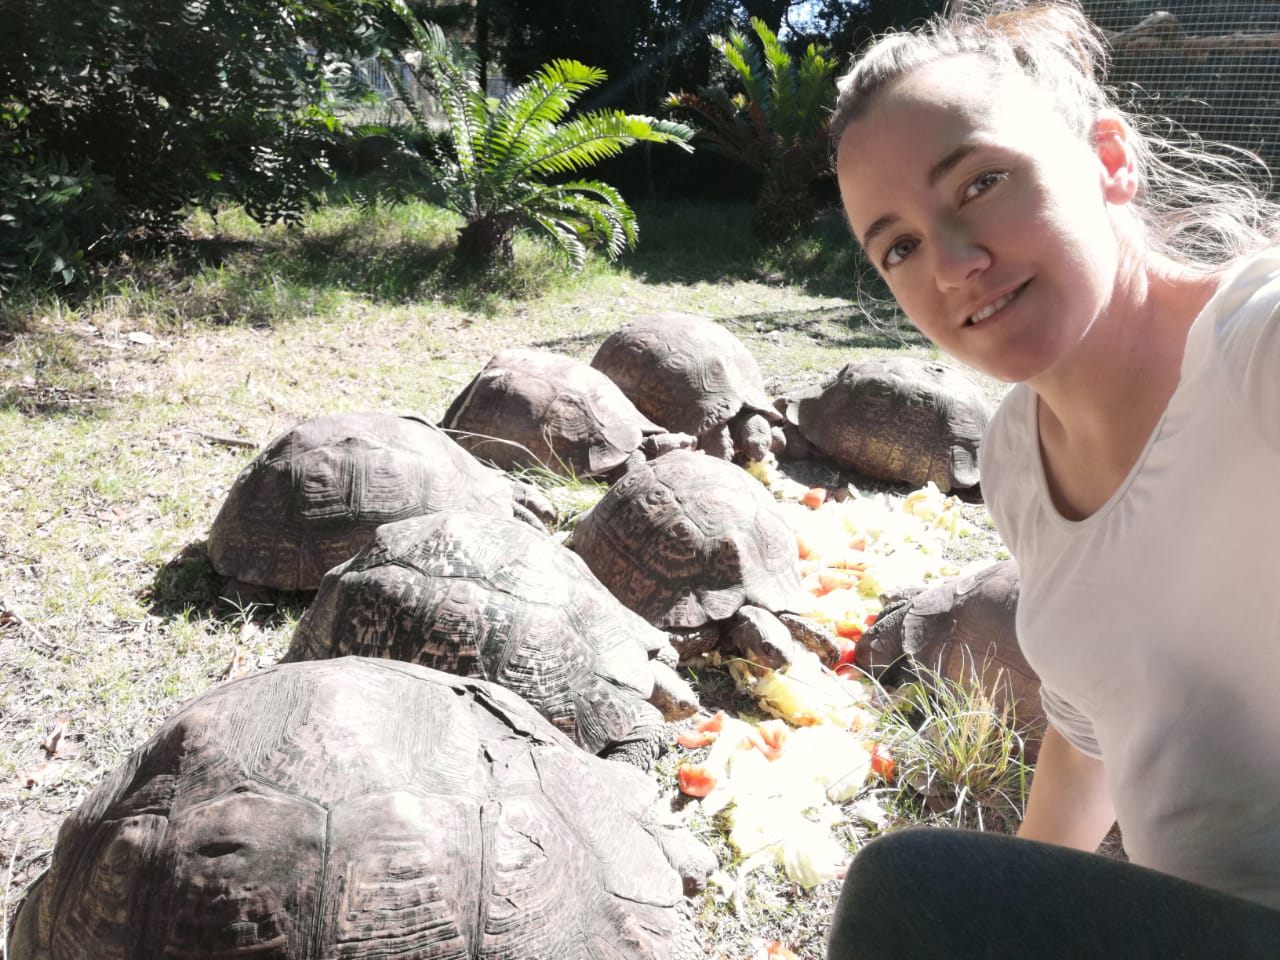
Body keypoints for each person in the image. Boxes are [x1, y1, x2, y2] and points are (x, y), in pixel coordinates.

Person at [824, 1, 1280, 957]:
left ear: (1110, 158)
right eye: (897, 247)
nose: (952, 264)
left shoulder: (1259, 345)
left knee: (905, 889)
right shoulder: (1014, 457)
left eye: (981, 183)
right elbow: (1097, 723)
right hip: (1193, 923)